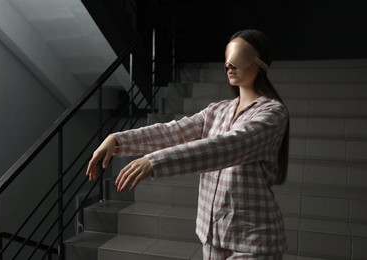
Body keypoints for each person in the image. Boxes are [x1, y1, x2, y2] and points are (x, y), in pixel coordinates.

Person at [86, 29, 289, 259]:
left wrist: (155, 162)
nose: (229, 65)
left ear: (260, 62)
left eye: (239, 55)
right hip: (211, 236)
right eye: (227, 56)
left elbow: (225, 147)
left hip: (254, 242)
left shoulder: (273, 114)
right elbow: (172, 131)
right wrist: (118, 139)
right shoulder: (218, 110)